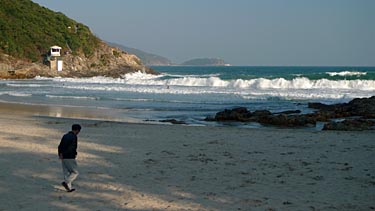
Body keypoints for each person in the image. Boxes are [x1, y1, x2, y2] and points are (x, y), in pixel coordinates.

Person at [58, 124, 81, 192]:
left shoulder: (65, 135)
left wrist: (60, 154)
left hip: (63, 156)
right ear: (77, 130)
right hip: (70, 156)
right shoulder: (74, 137)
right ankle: (66, 182)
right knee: (75, 172)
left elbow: (60, 146)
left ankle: (69, 188)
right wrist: (75, 153)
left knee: (66, 172)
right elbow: (72, 148)